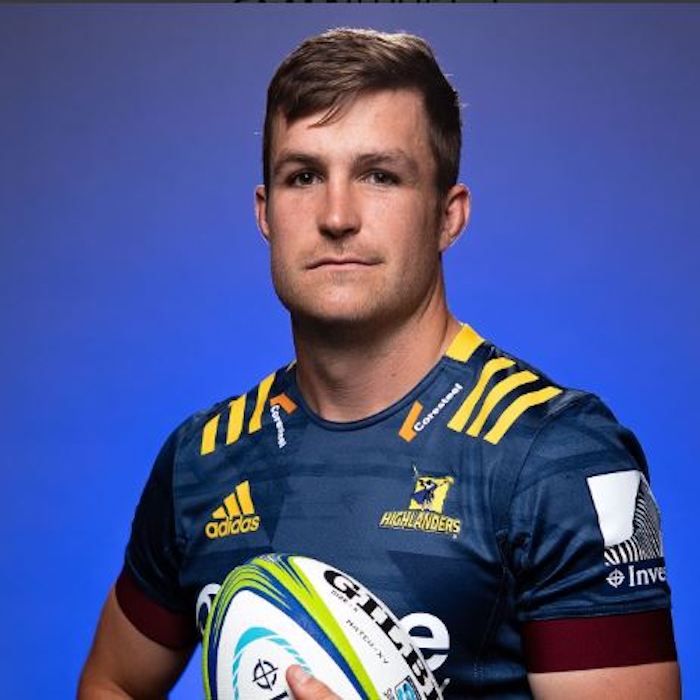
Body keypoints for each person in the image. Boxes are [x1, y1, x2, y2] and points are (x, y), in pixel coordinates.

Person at [79, 27, 680, 699]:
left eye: (380, 176)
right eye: (304, 176)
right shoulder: (203, 460)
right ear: (265, 213)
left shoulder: (558, 457)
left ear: (448, 216)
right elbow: (113, 683)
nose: (337, 216)